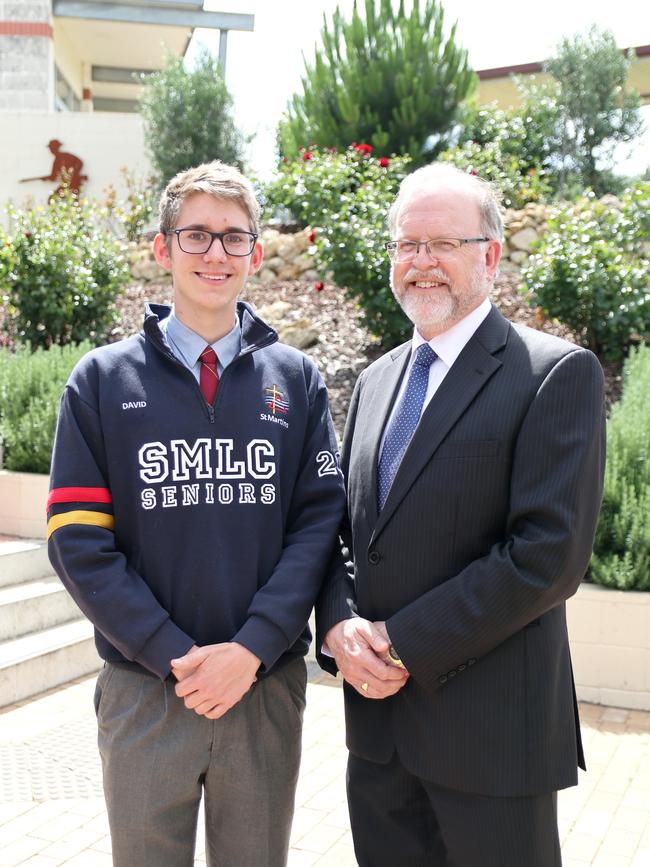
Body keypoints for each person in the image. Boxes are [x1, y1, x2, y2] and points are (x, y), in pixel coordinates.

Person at [47, 161, 345, 867]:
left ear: (256, 253)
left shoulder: (296, 381)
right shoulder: (100, 380)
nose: (216, 253)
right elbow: (77, 543)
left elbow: (318, 525)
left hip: (263, 687)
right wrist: (176, 657)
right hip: (147, 692)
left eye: (234, 237)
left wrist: (251, 648)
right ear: (162, 248)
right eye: (197, 235)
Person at [316, 163, 606, 867]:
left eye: (442, 243)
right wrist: (338, 623)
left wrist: (399, 641)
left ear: (491, 255)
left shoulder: (553, 374)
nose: (420, 263)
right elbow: (346, 535)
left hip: (492, 744)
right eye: (405, 244)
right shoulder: (377, 380)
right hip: (379, 740)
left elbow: (546, 555)